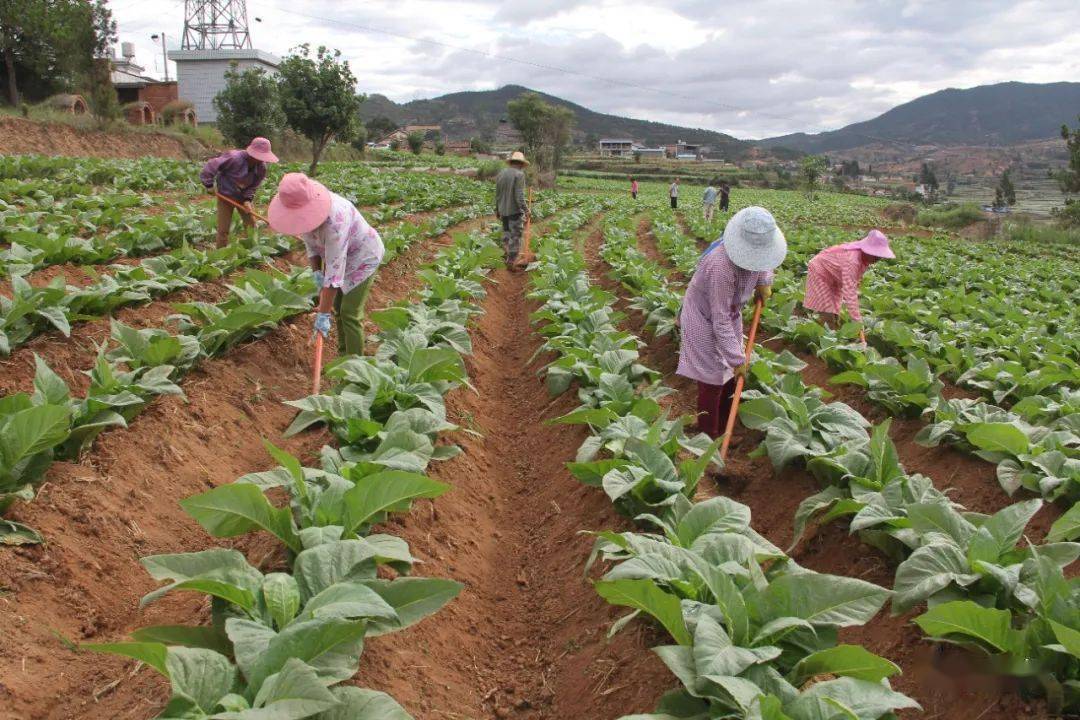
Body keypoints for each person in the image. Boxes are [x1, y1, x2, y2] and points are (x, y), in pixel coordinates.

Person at [676, 206, 787, 439]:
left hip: (730, 313)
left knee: (730, 374)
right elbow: (720, 320)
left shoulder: (758, 250)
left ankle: (726, 428)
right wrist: (738, 359)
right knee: (712, 378)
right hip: (703, 317)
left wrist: (764, 281)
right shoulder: (720, 267)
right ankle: (709, 436)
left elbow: (764, 260)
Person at [267, 172, 385, 356]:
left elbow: (334, 273)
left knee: (349, 313)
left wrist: (322, 314)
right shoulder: (304, 213)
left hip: (363, 257)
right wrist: (316, 273)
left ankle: (355, 369)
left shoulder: (335, 222)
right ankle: (343, 358)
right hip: (339, 258)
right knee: (338, 309)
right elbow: (311, 245)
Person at [802, 229, 895, 333]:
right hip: (820, 271)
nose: (878, 259)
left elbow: (853, 280)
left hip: (834, 275)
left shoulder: (864, 257)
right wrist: (857, 322)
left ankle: (832, 332)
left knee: (835, 308)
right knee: (826, 308)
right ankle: (824, 334)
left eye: (880, 256)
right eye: (876, 255)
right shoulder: (852, 260)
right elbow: (849, 292)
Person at [200, 137, 278, 248]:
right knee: (223, 229)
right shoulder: (233, 158)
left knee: (251, 226)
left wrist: (247, 200)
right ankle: (220, 256)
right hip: (225, 196)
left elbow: (253, 186)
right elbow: (211, 166)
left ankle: (252, 250)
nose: (261, 160)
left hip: (242, 198)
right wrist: (208, 184)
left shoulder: (261, 168)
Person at [495, 151, 529, 269]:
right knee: (515, 236)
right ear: (520, 164)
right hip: (514, 211)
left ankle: (505, 255)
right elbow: (519, 195)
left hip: (503, 210)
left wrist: (497, 209)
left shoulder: (501, 173)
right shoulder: (519, 174)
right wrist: (526, 209)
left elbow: (497, 194)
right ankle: (511, 262)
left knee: (506, 234)